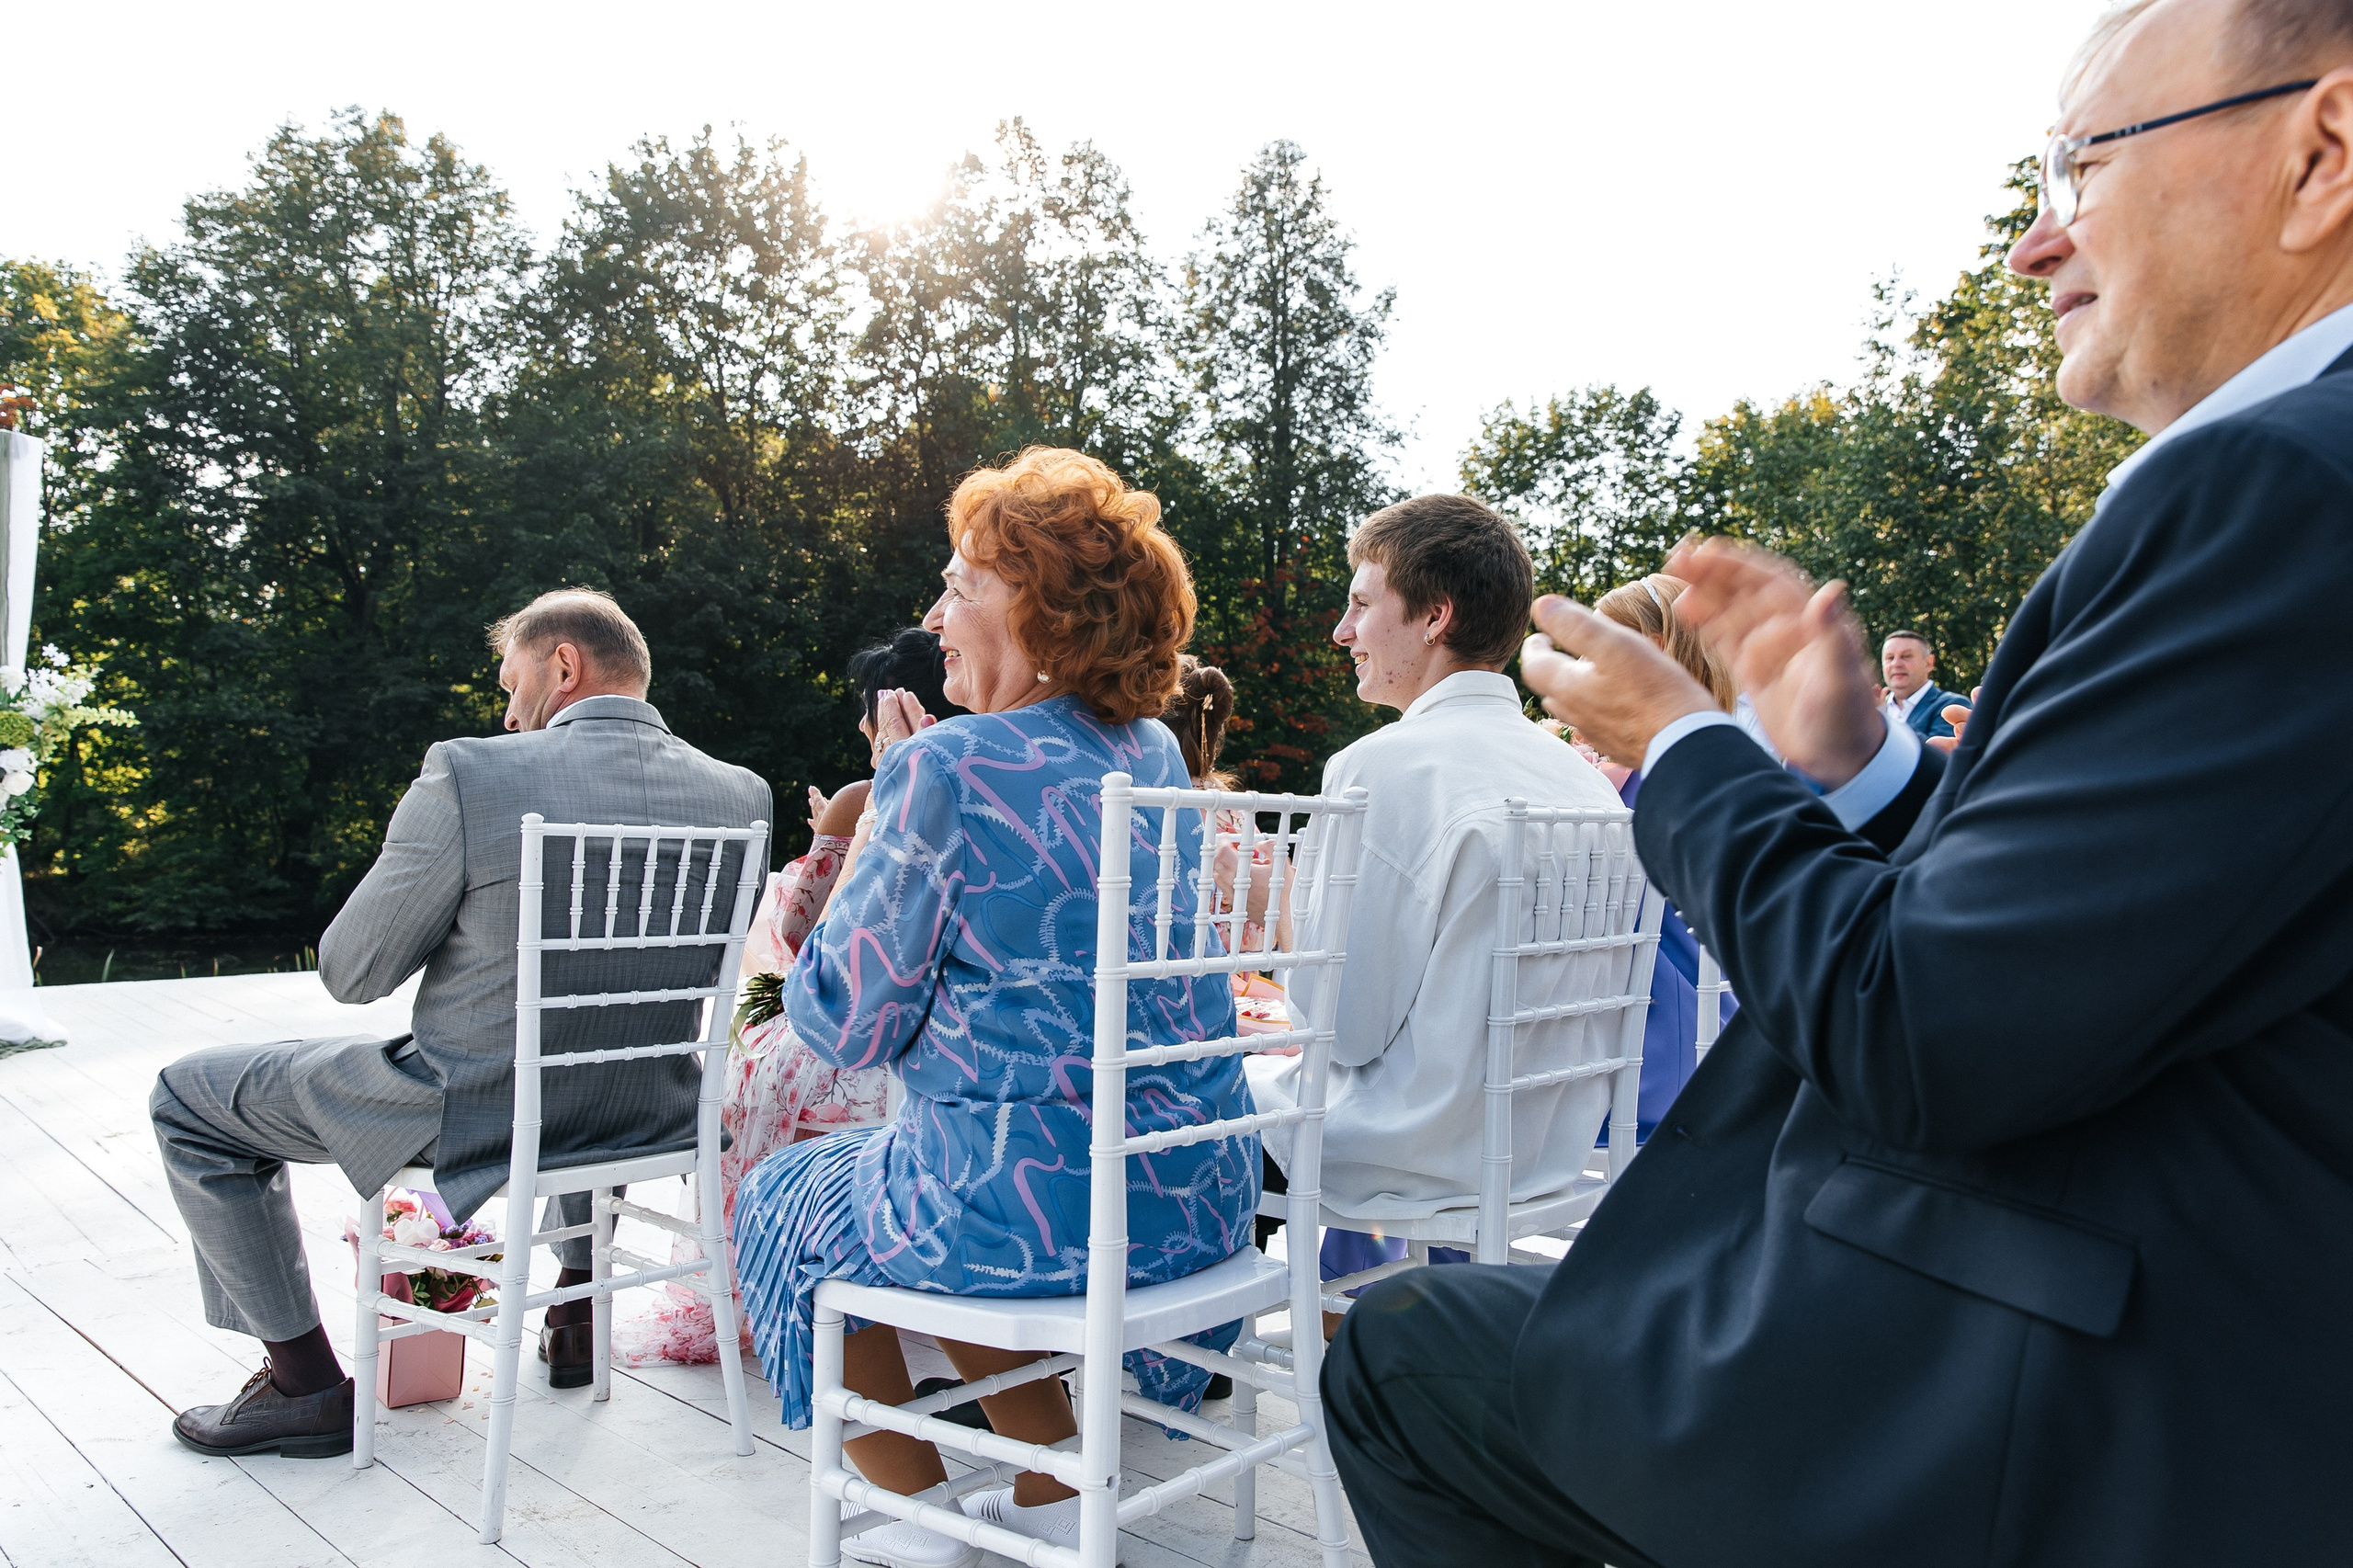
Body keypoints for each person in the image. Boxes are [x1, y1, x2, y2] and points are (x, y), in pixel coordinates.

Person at [1325, 3, 2353, 1563]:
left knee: (1398, 1363)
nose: (2030, 243)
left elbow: (1927, 1034)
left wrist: (1687, 751)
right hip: (2201, 1298)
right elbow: (2128, 937)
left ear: (2321, 152)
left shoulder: (2274, 486)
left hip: (2079, 1379)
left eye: (2081, 162)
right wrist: (1854, 773)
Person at [729, 448, 1252, 1568]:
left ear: (1045, 611)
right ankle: (1048, 1494)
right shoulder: (1153, 749)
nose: (935, 612)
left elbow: (843, 1025)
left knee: (787, 1194)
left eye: (961, 584)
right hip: (1191, 1188)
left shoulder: (946, 767)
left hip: (1037, 1204)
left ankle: (918, 1524)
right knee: (937, 1162)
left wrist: (873, 831)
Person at [150, 588, 770, 1457]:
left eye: (512, 681)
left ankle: (305, 1388)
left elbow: (352, 970)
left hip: (471, 1103)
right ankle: (574, 1312)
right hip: (651, 1108)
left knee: (187, 1099)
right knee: (593, 1045)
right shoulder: (739, 792)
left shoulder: (471, 773)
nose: (507, 711)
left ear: (563, 666)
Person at [1244, 494, 1623, 1285]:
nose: (1342, 633)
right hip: (1549, 1147)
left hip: (1410, 1147)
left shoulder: (1382, 767)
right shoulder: (1584, 783)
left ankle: (1165, 1358)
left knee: (1177, 1097)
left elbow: (1340, 1031)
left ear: (1434, 616)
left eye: (1359, 604)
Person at [620, 634, 962, 1365]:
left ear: (887, 713)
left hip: (856, 1043)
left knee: (750, 1060)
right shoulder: (980, 785)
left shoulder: (864, 798)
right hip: (944, 1041)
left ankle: (787, 1265)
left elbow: (802, 934)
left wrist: (831, 846)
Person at [1588, 574, 1741, 1138]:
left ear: (1653, 649)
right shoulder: (1710, 749)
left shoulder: (1657, 765)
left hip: (1647, 1038)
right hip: (1700, 1019)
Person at [1878, 628, 1972, 739]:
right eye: (1890, 658)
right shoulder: (1875, 709)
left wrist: (1880, 721)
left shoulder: (1952, 705)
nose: (1896, 664)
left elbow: (1937, 753)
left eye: (1906, 656)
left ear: (1929, 663)